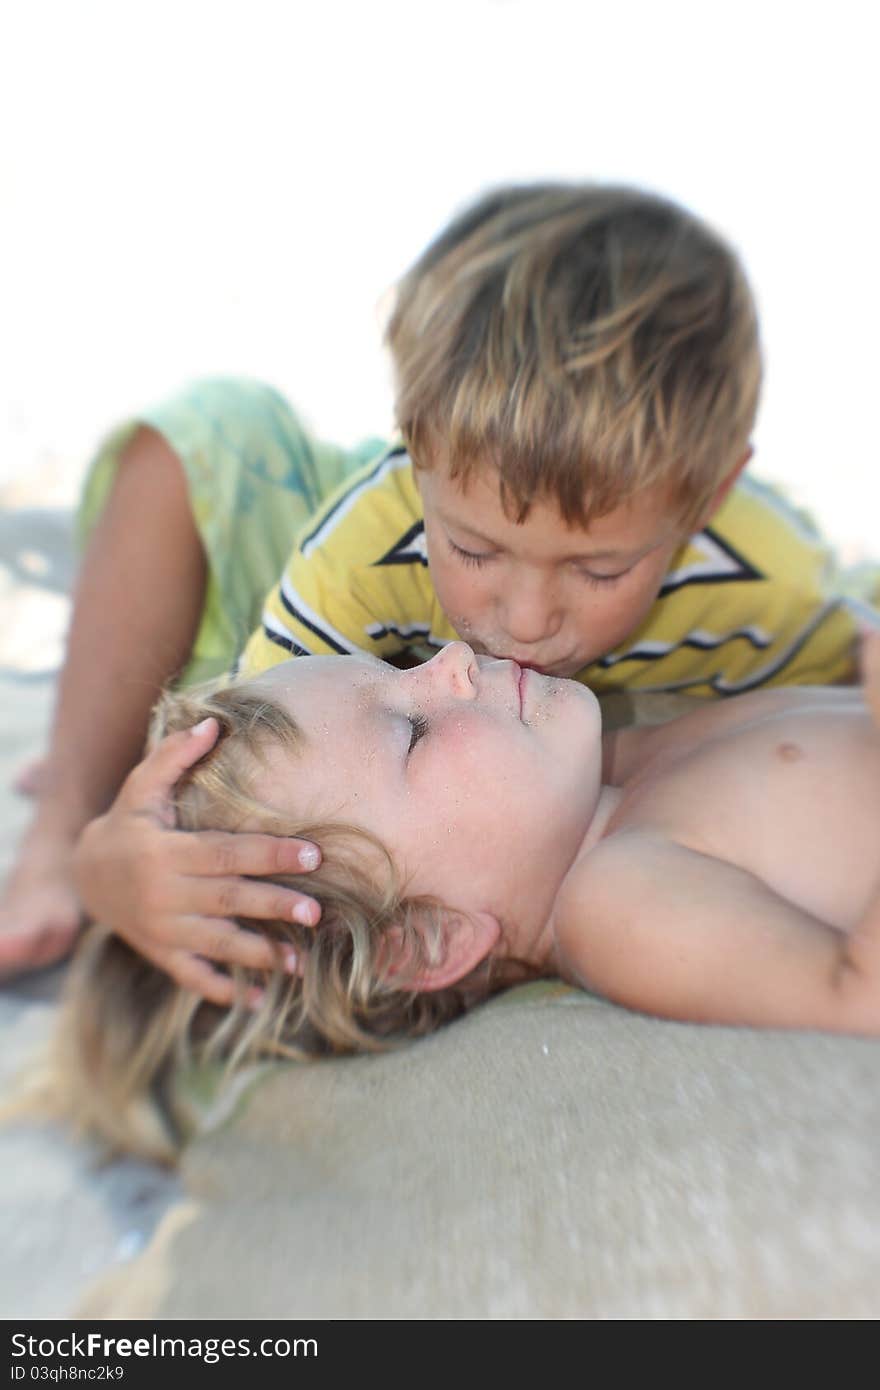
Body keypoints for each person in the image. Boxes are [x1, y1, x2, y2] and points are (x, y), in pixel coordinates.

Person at [3, 183, 875, 998]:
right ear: (412, 453)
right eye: (476, 549)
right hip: (320, 637)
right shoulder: (358, 556)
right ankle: (64, 808)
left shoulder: (765, 576)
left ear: (706, 500)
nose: (520, 622)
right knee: (202, 435)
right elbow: (264, 773)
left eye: (598, 570)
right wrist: (106, 861)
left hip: (460, 730)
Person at [52, 636, 880, 1163]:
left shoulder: (614, 764)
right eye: (412, 731)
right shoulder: (619, 899)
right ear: (429, 938)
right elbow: (855, 996)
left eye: (400, 664)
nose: (450, 658)